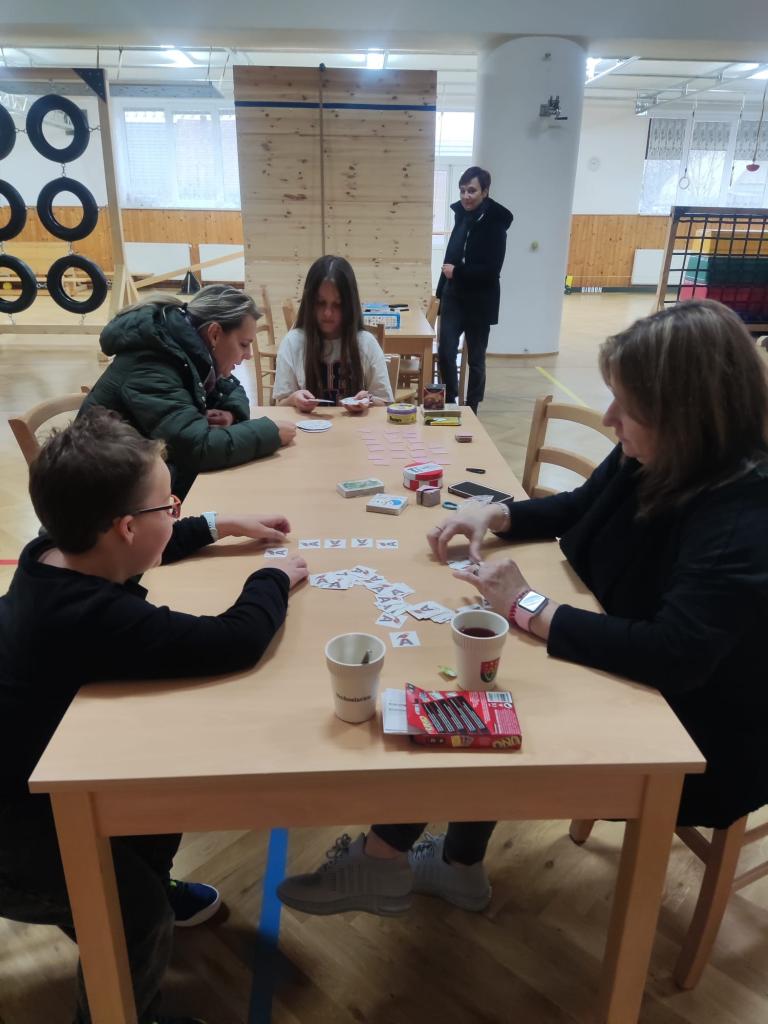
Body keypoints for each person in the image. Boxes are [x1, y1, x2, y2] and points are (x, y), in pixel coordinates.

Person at [276, 299, 768, 918]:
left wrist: (528, 604)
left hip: (691, 733)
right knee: (478, 669)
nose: (610, 417)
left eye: (628, 406)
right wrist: (497, 512)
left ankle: (385, 859)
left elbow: (675, 654)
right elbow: (581, 506)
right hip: (622, 651)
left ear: (686, 416)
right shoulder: (665, 451)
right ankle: (457, 868)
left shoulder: (742, 517)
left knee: (479, 693)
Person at [0, 409, 308, 1024]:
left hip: (29, 778)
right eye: (168, 506)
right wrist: (270, 578)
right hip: (14, 841)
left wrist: (217, 525)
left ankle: (144, 890)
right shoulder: (93, 618)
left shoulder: (52, 552)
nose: (176, 513)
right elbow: (234, 641)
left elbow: (144, 547)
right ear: (124, 527)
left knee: (151, 799)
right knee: (133, 913)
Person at [80, 285, 297, 500]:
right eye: (243, 344)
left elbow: (230, 386)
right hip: (107, 499)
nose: (248, 354)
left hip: (138, 478)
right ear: (214, 334)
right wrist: (269, 432)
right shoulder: (152, 365)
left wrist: (231, 413)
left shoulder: (186, 350)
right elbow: (198, 449)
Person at [436, 166, 512, 415]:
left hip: (480, 300)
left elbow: (491, 270)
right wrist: (441, 292)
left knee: (476, 360)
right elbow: (451, 256)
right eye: (462, 191)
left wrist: (457, 273)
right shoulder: (462, 216)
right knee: (445, 352)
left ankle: (472, 407)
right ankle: (450, 402)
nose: (466, 196)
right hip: (453, 296)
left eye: (472, 190)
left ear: (485, 191)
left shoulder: (495, 224)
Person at [273, 255, 393, 411]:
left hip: (355, 426)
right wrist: (293, 399)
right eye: (320, 303)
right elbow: (280, 405)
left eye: (337, 304)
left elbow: (385, 403)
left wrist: (369, 400)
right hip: (306, 426)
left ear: (349, 306)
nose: (328, 313)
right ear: (310, 303)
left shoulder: (366, 342)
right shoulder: (293, 342)